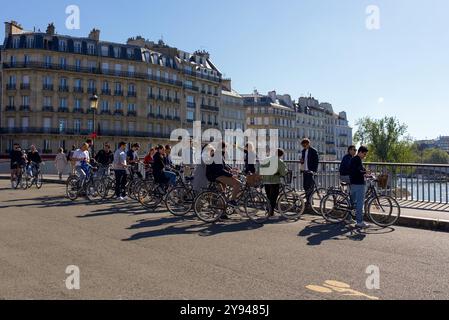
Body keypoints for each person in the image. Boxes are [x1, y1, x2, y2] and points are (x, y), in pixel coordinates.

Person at [206, 143, 241, 208]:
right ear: (222, 148)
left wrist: (231, 169)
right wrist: (231, 175)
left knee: (222, 194)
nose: (226, 149)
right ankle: (232, 200)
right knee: (238, 183)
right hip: (216, 175)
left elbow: (223, 166)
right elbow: (220, 170)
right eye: (225, 148)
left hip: (214, 175)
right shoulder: (218, 155)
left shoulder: (218, 154)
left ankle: (221, 212)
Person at [261, 148, 288, 217]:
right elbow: (283, 173)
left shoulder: (266, 159)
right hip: (274, 181)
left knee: (269, 196)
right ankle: (271, 212)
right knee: (273, 198)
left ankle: (268, 210)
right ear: (281, 155)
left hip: (266, 181)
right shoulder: (280, 162)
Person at [349, 146, 370, 229]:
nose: (365, 156)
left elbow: (357, 170)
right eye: (364, 154)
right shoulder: (357, 160)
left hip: (353, 182)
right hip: (359, 183)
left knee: (352, 202)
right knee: (360, 203)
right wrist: (365, 172)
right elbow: (359, 171)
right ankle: (359, 222)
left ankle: (348, 218)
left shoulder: (354, 159)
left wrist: (364, 172)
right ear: (360, 152)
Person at [300, 138, 319, 208]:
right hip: (305, 171)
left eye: (304, 145)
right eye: (303, 145)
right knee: (305, 186)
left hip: (311, 171)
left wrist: (314, 171)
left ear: (308, 144)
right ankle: (308, 200)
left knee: (311, 187)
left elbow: (316, 162)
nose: (304, 146)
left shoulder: (313, 151)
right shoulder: (303, 151)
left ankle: (310, 201)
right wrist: (301, 161)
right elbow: (303, 161)